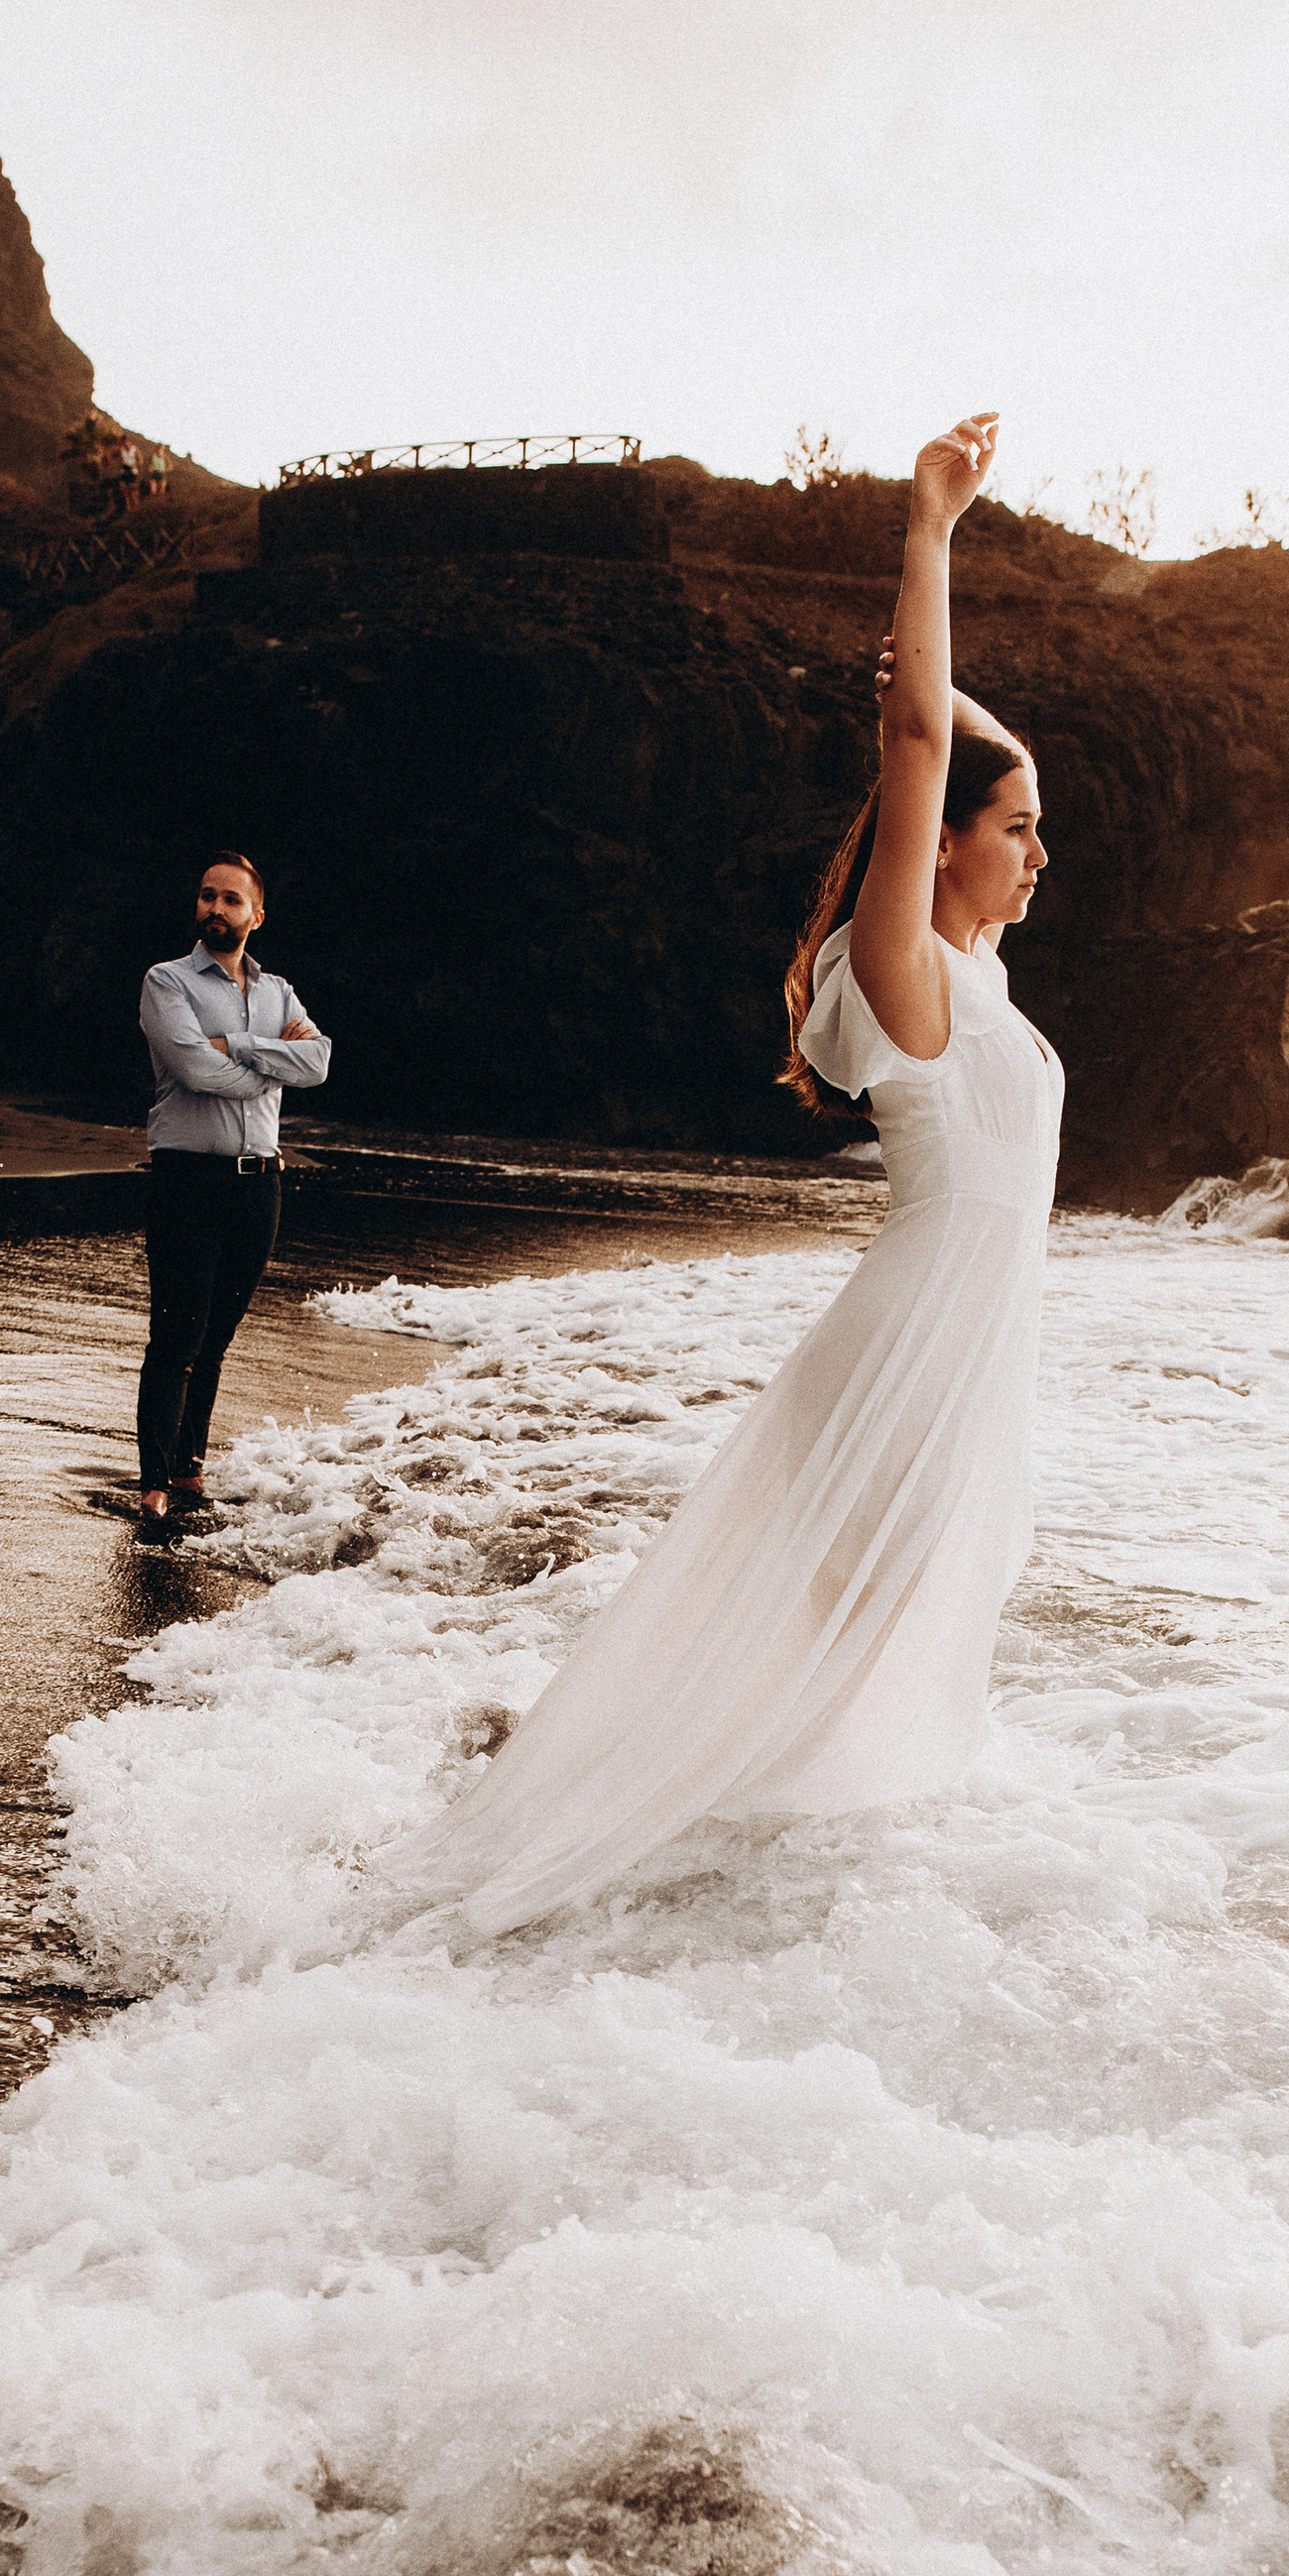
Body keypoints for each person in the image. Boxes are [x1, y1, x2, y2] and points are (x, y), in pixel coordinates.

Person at [392, 410, 1059, 1934]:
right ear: (942, 842)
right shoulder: (903, 975)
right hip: (914, 1346)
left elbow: (940, 739)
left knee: (862, 1643)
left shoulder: (981, 981)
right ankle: (662, 1873)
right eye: (1019, 829)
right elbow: (921, 752)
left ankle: (715, 1874)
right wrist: (930, 535)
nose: (1040, 855)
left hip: (967, 1346)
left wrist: (936, 686)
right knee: (847, 1641)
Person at [134, 853, 331, 1523]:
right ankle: (153, 1484)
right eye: (207, 896)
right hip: (187, 1179)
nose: (215, 908)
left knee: (215, 1338)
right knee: (176, 1336)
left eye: (231, 900)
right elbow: (194, 1068)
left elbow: (319, 1060)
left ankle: (188, 1471)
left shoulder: (278, 992)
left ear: (256, 916)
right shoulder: (166, 981)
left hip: (259, 1186)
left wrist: (235, 1043)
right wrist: (272, 1062)